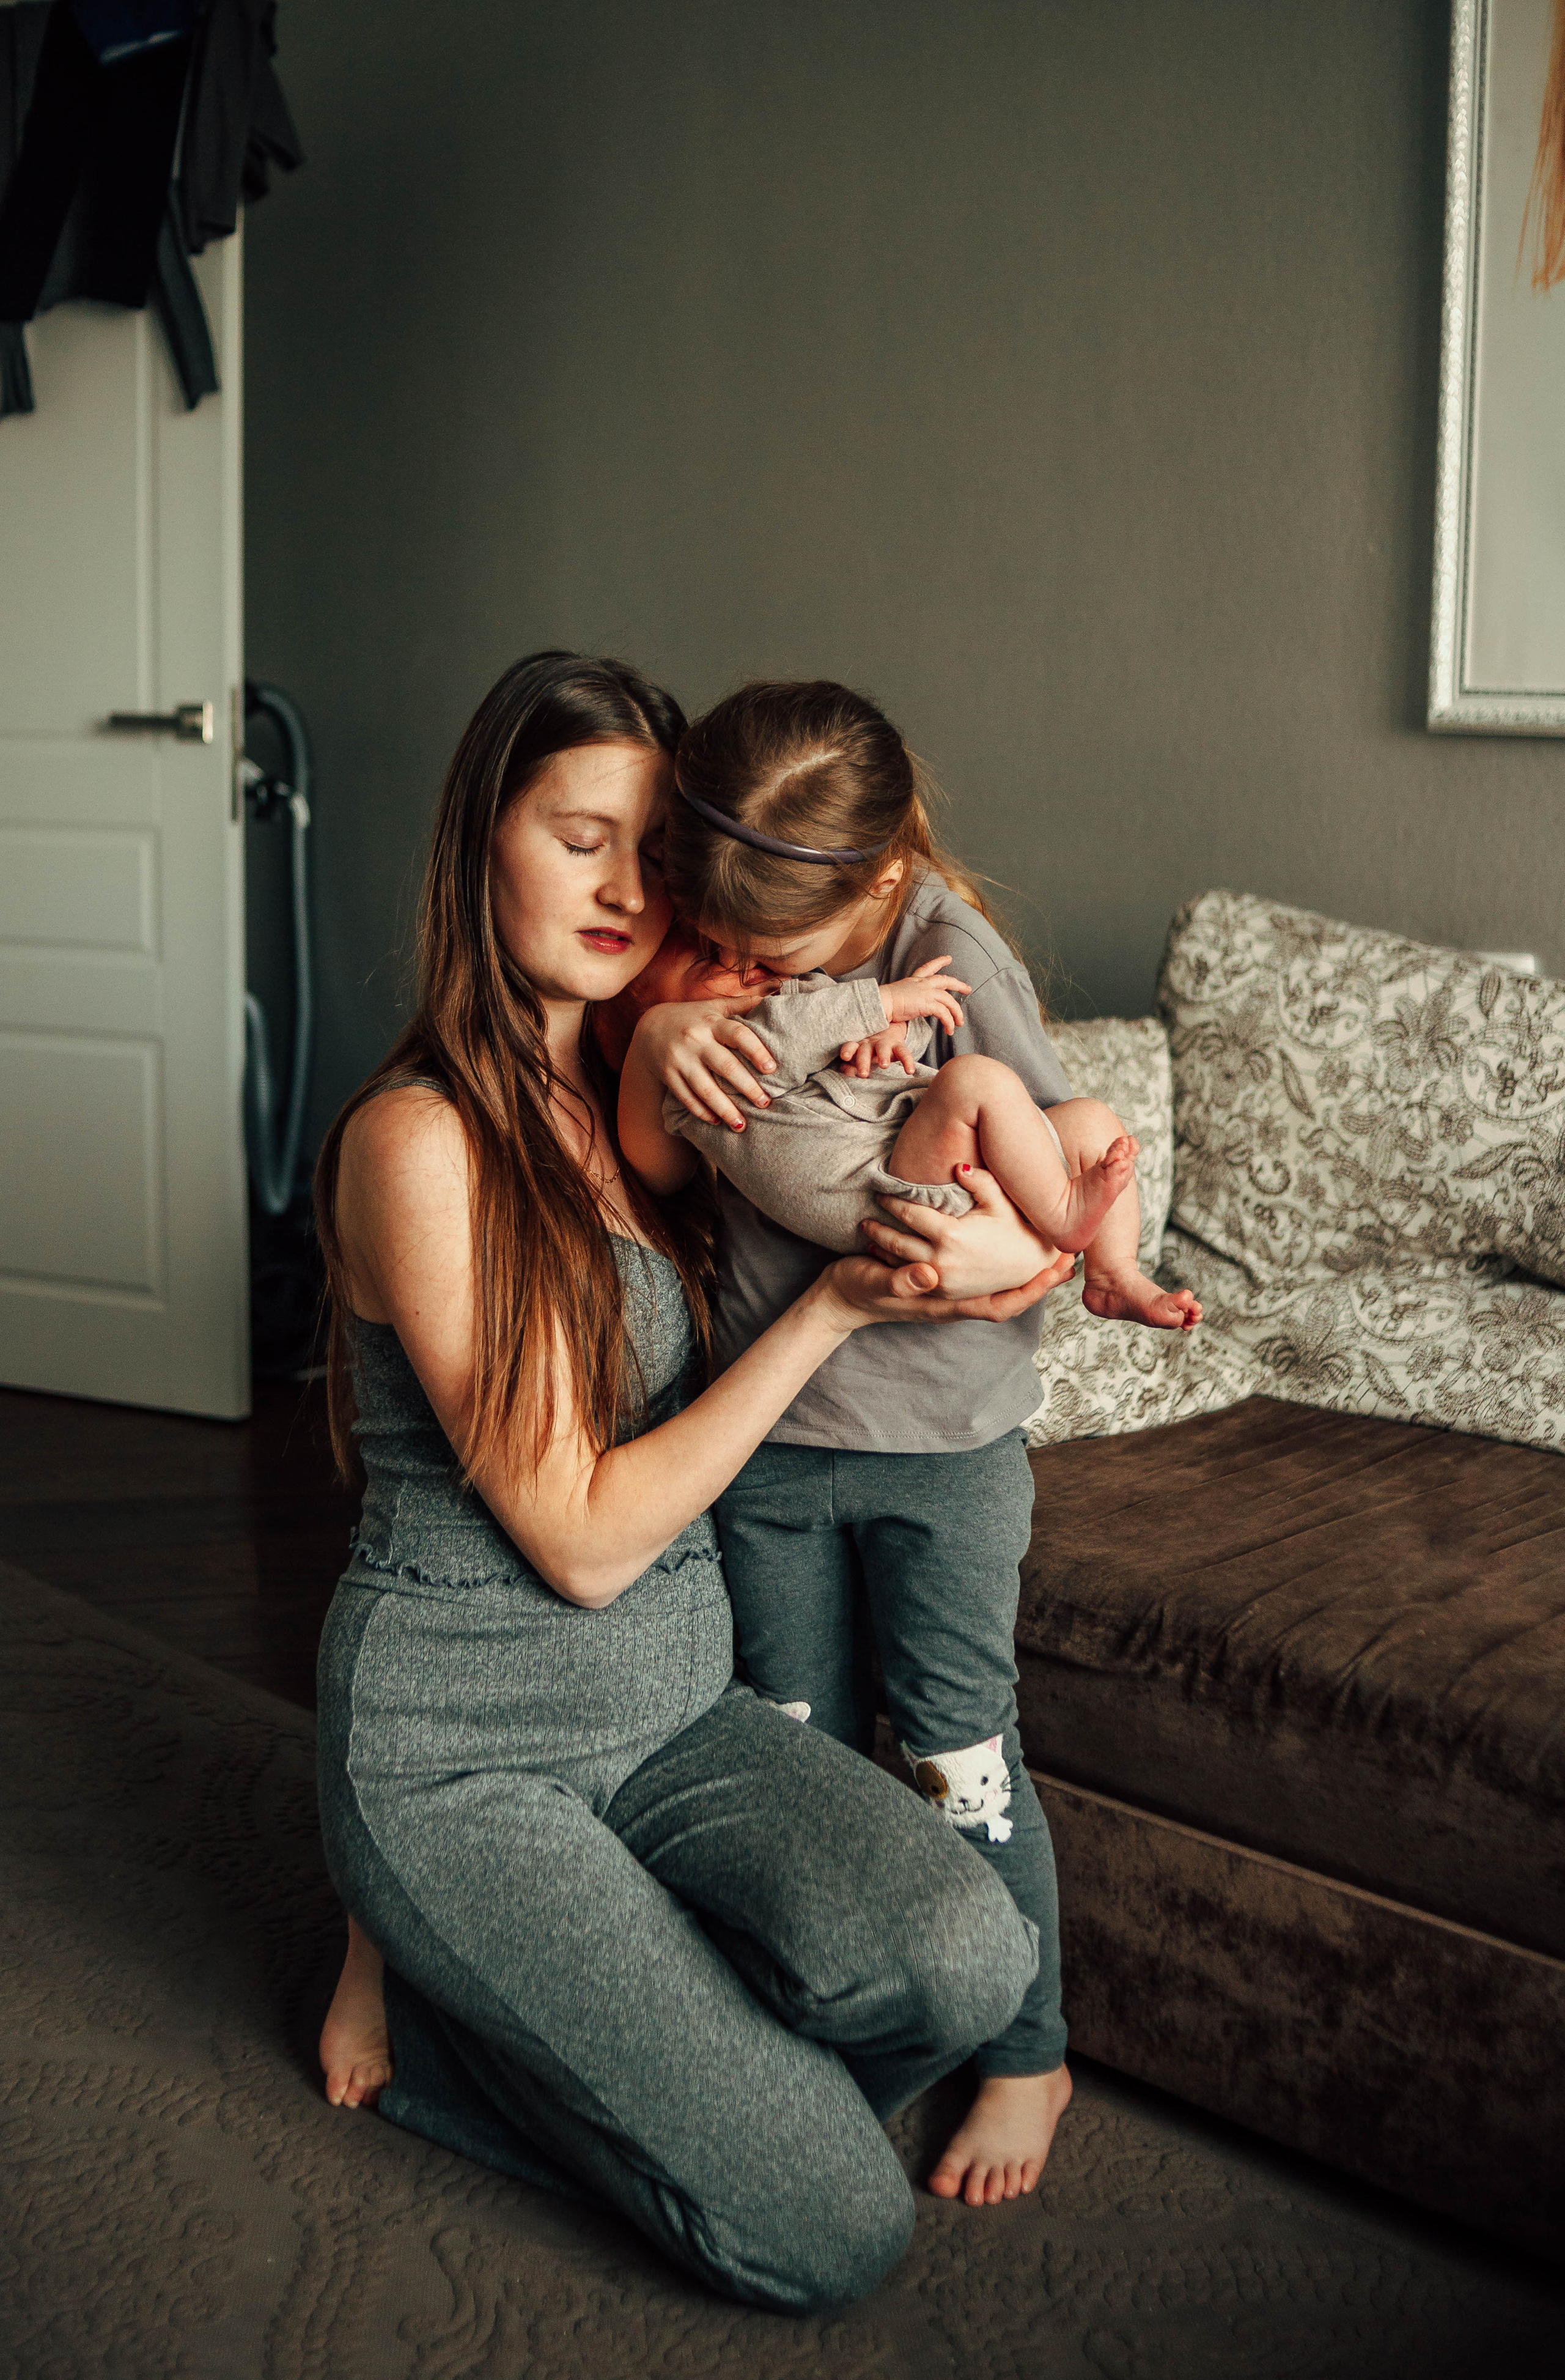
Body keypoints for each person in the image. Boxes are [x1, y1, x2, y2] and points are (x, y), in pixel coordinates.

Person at [310, 650, 1074, 2312]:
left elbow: (961, 1172)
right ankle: (448, 2005)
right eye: (574, 836)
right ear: (479, 845)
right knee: (832, 2225)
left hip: (672, 1714)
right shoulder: (415, 1145)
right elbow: (581, 1543)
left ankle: (523, 1994)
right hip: (463, 1747)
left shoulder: (681, 1077)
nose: (620, 887)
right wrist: (836, 1311)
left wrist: (1026, 1248)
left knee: (966, 1958)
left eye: (650, 853)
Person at [622, 679, 1162, 2211]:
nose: (736, 975)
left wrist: (1065, 1255)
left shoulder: (944, 956)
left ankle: (1027, 2046)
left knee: (954, 1756)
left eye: (765, 961)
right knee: (788, 1734)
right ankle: (833, 2009)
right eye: (712, 947)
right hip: (771, 1438)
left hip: (941, 1453)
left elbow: (1063, 1153)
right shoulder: (731, 942)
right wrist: (677, 1026)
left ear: (868, 888)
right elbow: (666, 1144)